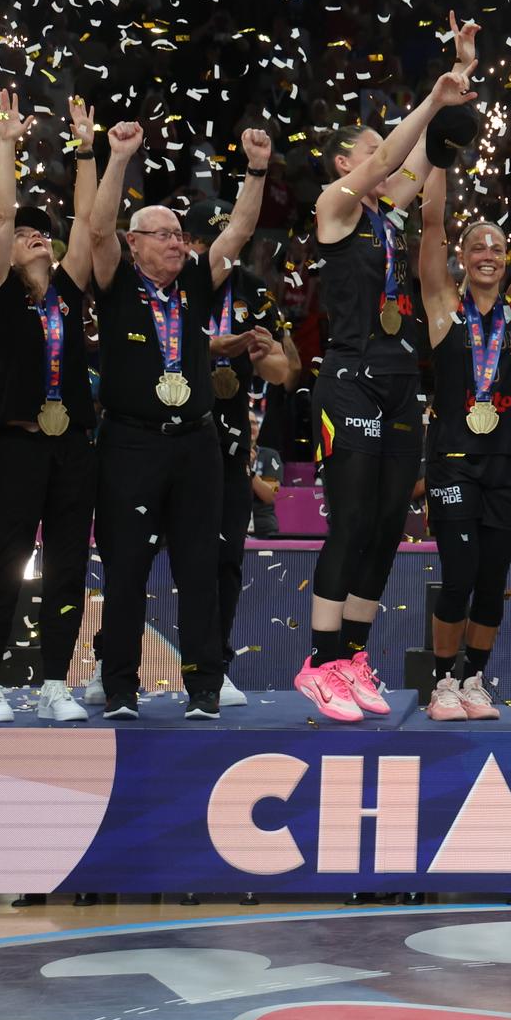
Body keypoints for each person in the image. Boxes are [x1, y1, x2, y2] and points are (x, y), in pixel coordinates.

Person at [296, 22, 479, 723]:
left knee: (384, 528)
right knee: (348, 524)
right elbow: (391, 162)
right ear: (346, 160)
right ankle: (317, 662)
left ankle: (350, 655)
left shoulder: (388, 219)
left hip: (404, 384)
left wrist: (459, 83)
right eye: (370, 148)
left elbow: (429, 159)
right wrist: (430, 100)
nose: (383, 158)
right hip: (350, 380)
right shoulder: (336, 208)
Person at [86, 120, 266, 719]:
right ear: (134, 243)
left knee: (200, 566)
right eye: (162, 235)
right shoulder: (112, 282)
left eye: (179, 235)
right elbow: (95, 226)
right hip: (129, 445)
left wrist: (257, 169)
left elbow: (238, 230)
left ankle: (205, 687)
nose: (176, 243)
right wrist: (117, 158)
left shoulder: (193, 281)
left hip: (195, 444)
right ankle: (119, 687)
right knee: (127, 569)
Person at [416, 107, 511, 723]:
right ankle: (441, 685)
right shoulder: (443, 309)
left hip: (506, 461)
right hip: (452, 458)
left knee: (492, 576)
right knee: (457, 574)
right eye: (476, 246)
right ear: (462, 258)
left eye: (495, 247)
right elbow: (430, 227)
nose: (487, 253)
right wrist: (442, 154)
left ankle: (474, 680)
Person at [0, 93, 99, 723]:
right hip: (18, 444)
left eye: (39, 232)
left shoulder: (69, 289)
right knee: (5, 564)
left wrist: (85, 148)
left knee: (69, 566)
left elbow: (86, 220)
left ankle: (53, 681)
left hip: (73, 446)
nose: (35, 236)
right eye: (25, 234)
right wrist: (9, 144)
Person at [182, 196, 289, 705]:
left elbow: (284, 371)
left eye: (236, 243)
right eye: (212, 243)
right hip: (169, 440)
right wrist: (215, 348)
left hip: (230, 450)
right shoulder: (175, 285)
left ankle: (215, 666)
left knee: (225, 561)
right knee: (135, 556)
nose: (227, 253)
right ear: (192, 245)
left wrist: (265, 355)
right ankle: (112, 662)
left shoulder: (255, 292)